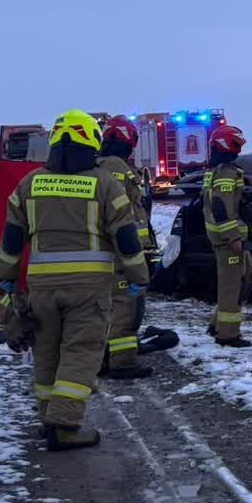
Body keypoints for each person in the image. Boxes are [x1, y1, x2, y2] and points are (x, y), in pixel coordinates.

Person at [0, 109, 149, 451]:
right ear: (90, 142)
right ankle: (64, 427)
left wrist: (3, 277)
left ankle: (48, 418)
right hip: (89, 290)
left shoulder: (30, 183)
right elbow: (126, 238)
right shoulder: (105, 185)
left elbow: (11, 237)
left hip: (41, 290)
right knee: (80, 353)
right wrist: (140, 276)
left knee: (46, 352)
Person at [96, 116, 155, 379]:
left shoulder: (97, 166)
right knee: (127, 308)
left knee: (108, 308)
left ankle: (103, 358)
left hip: (104, 249)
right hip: (122, 251)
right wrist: (141, 249)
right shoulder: (116, 169)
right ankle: (122, 362)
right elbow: (126, 213)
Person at [202, 125, 252, 347]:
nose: (239, 151)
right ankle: (227, 334)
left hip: (228, 238)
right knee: (231, 286)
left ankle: (216, 324)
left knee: (247, 275)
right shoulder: (225, 171)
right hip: (228, 240)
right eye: (237, 145)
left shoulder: (220, 170)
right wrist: (232, 237)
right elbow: (221, 205)